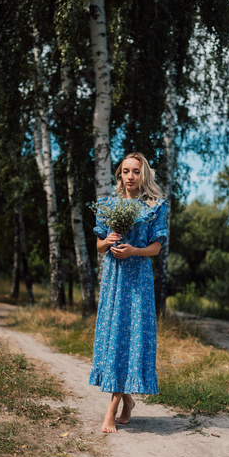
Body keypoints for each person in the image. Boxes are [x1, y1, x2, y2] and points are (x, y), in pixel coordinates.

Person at [89, 152, 168, 433]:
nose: (130, 176)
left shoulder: (155, 206)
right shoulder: (107, 205)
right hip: (113, 278)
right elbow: (98, 246)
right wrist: (106, 240)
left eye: (136, 171)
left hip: (138, 279)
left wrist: (134, 250)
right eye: (125, 171)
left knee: (131, 337)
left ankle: (111, 409)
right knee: (115, 337)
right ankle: (127, 401)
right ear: (119, 174)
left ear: (143, 174)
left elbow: (156, 248)